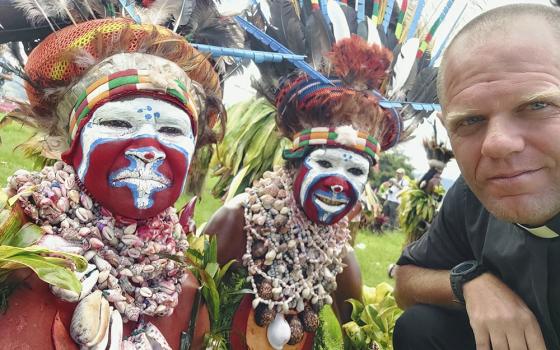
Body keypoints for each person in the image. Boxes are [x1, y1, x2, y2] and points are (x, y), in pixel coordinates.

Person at [0, 1, 239, 347]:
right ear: (72, 145)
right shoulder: (17, 257)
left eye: (172, 130)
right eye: (117, 122)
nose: (148, 149)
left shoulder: (184, 285)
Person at [393, 4, 560, 350]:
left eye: (537, 105)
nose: (497, 144)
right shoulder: (471, 197)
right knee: (420, 327)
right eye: (470, 121)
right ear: (446, 127)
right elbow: (406, 281)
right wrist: (467, 281)